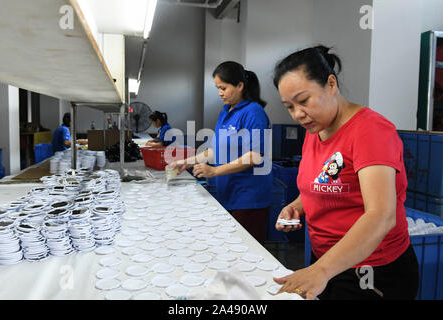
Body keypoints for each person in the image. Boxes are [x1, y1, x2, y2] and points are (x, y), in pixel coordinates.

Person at [271, 45, 419, 300]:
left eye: (304, 101)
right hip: (329, 261)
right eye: (289, 107)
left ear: (331, 84)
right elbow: (319, 185)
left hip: (371, 270)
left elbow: (381, 216)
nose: (298, 114)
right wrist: (296, 206)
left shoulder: (370, 131)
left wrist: (320, 270)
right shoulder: (315, 131)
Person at [172, 61, 273, 244]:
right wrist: (187, 161)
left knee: (246, 251)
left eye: (223, 88)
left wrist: (215, 171)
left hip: (248, 199)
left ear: (240, 85)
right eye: (218, 88)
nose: (220, 93)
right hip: (229, 195)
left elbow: (255, 155)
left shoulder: (253, 112)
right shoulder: (226, 112)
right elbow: (214, 151)